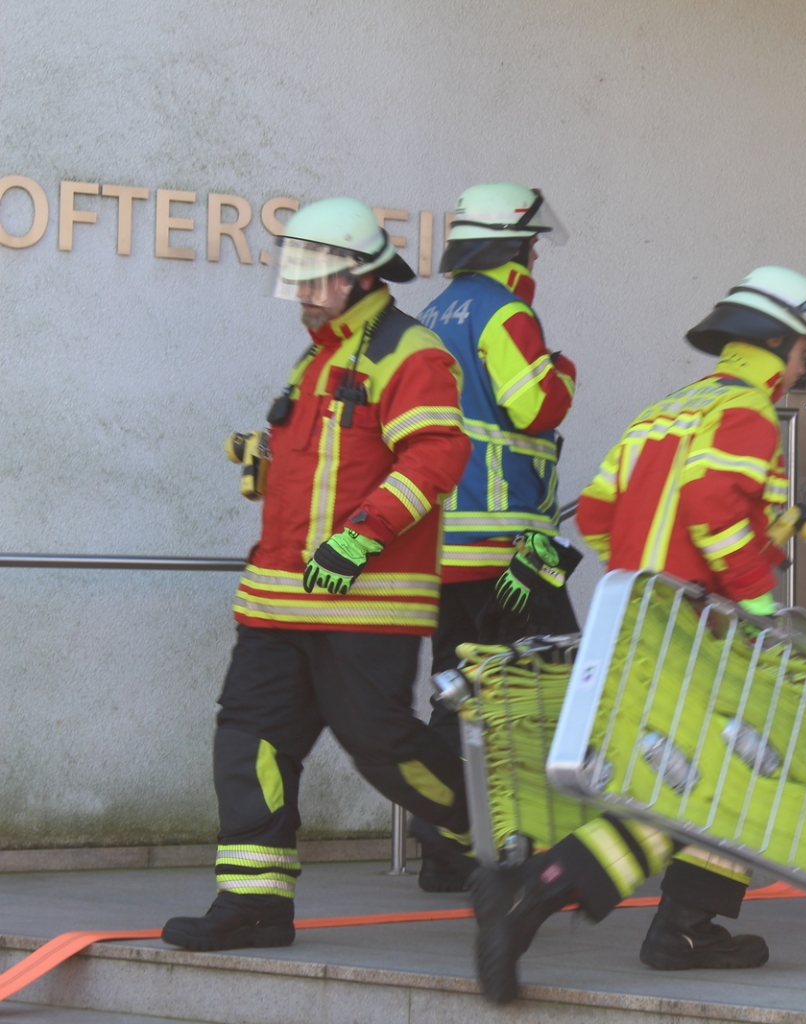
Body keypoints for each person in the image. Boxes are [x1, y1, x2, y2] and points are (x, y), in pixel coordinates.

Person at [469, 266, 806, 1003]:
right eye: (805, 349)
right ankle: (535, 892)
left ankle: (684, 925)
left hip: (636, 629)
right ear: (775, 341)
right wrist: (760, 605)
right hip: (697, 638)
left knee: (712, 782)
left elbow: (597, 514)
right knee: (699, 794)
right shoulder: (745, 415)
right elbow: (713, 510)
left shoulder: (668, 410)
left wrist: (650, 579)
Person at [161, 197, 472, 951]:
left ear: (362, 277)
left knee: (384, 748)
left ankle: (497, 832)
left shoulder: (412, 352)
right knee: (250, 742)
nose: (301, 291)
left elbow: (435, 457)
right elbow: (330, 464)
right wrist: (263, 456)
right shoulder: (321, 353)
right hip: (278, 602)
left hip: (366, 605)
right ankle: (254, 904)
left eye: (316, 277)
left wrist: (358, 540)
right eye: (295, 276)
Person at [409, 182, 582, 891]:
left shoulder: (432, 312)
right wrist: (565, 370)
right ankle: (539, 848)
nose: (538, 255)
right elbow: (534, 406)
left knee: (459, 690)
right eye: (533, 244)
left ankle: (442, 845)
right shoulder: (505, 313)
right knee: (549, 688)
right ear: (514, 246)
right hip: (511, 544)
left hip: (446, 545)